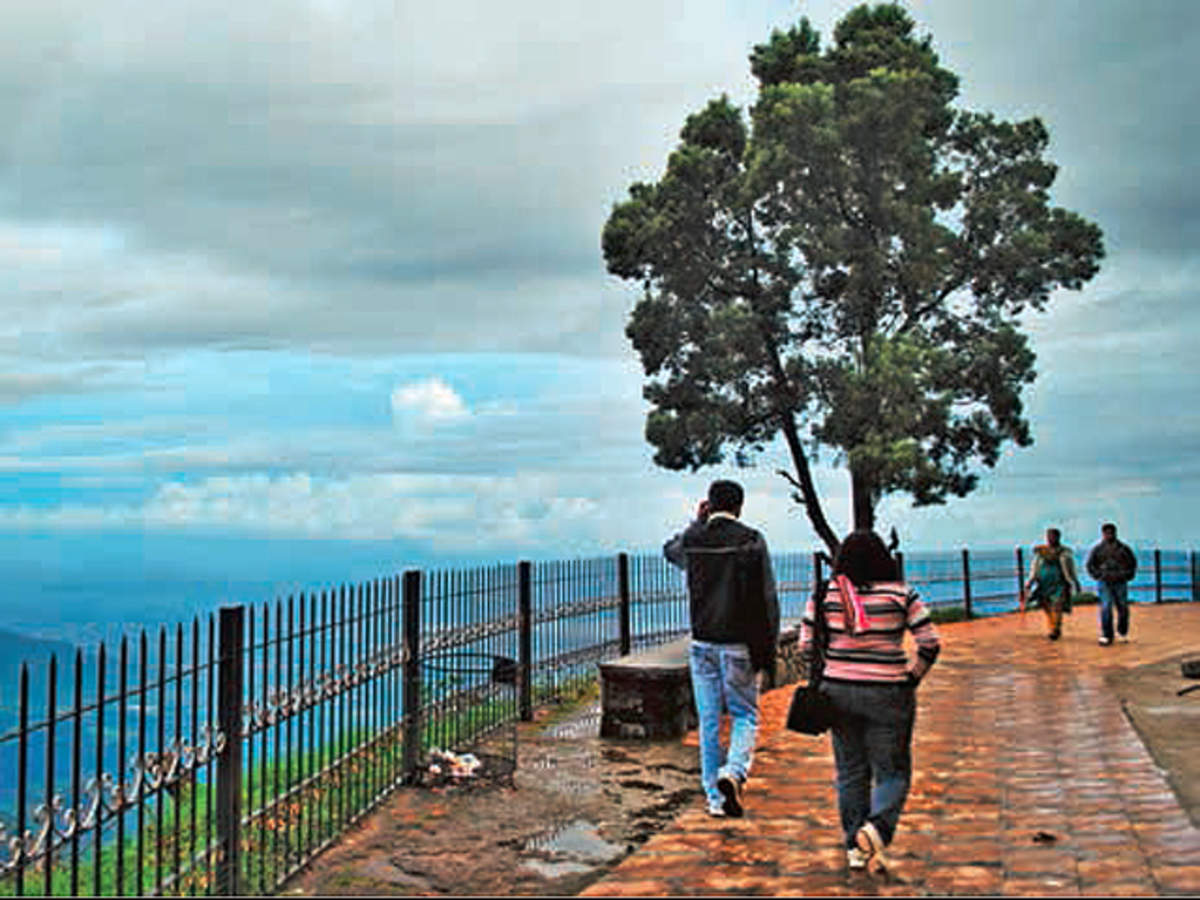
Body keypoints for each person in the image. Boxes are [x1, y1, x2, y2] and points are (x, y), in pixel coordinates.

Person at [800, 530, 940, 873]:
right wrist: (911, 677)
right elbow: (929, 643)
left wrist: (835, 665)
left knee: (850, 771)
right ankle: (876, 829)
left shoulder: (825, 595)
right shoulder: (901, 595)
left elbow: (805, 646)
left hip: (837, 692)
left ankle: (854, 846)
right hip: (889, 692)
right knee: (892, 770)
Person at [664, 479, 779, 818]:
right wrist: (767, 650)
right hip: (739, 644)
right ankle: (734, 771)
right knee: (745, 715)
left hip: (703, 642)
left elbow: (670, 551)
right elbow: (767, 599)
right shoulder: (751, 540)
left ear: (709, 504)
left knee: (709, 720)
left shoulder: (695, 540)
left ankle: (714, 798)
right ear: (740, 507)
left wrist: (696, 523)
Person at [1025, 527, 1082, 641]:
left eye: (1053, 536)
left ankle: (1055, 629)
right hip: (1044, 583)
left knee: (1057, 606)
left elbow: (1071, 569)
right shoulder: (1041, 553)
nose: (1050, 539)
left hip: (1060, 583)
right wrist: (1030, 582)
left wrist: (1075, 581)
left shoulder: (1064, 553)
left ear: (1058, 537)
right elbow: (1034, 568)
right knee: (1046, 605)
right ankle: (1052, 625)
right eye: (1049, 536)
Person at [1086, 522, 1138, 645]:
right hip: (1105, 582)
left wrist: (1126, 575)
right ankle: (1107, 634)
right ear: (1103, 534)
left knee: (1122, 607)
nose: (1109, 535)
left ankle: (1122, 631)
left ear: (1115, 533)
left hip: (1120, 582)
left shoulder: (1124, 549)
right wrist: (1099, 575)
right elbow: (1090, 565)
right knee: (1106, 607)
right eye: (1106, 533)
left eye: (1111, 533)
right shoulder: (1097, 550)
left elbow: (1132, 564)